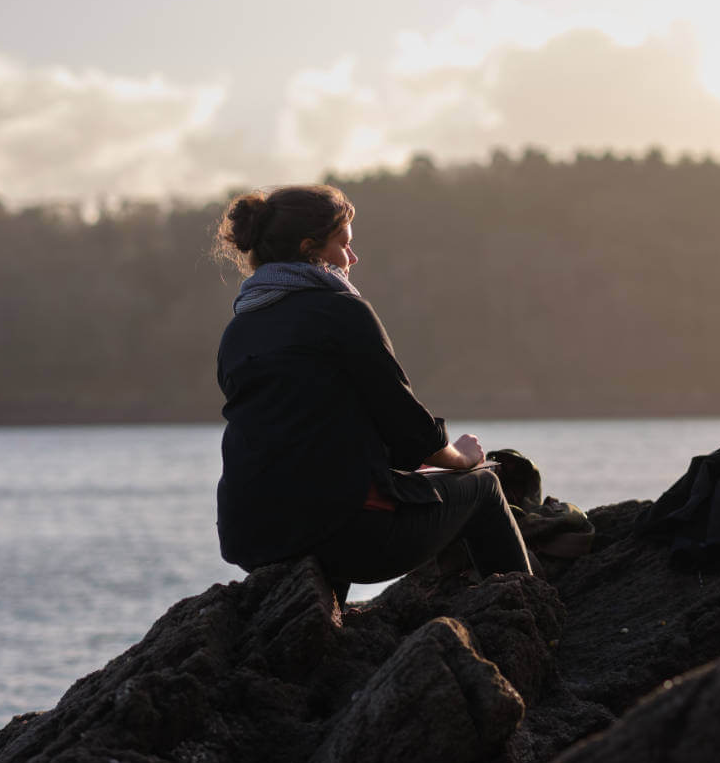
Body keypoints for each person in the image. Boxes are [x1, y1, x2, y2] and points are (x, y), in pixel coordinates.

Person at [212, 183, 532, 607]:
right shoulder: (341, 310)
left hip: (253, 538)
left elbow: (300, 435)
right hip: (352, 537)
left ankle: (328, 628)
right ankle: (531, 616)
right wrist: (462, 458)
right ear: (311, 249)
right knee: (486, 487)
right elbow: (407, 427)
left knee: (326, 498)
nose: (353, 258)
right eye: (344, 244)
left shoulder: (239, 329)